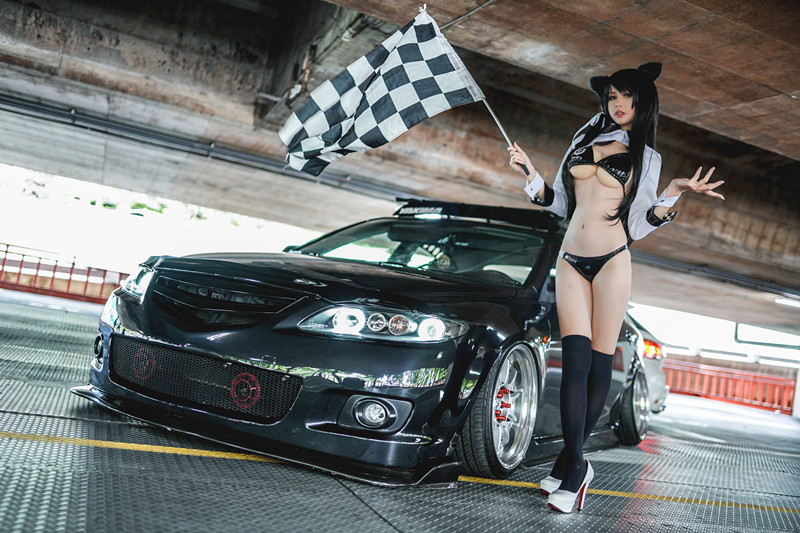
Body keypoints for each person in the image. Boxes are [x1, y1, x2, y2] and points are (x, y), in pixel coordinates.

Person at [507, 62, 724, 513]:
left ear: (643, 102)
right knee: (574, 363)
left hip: (612, 261)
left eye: (627, 96)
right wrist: (529, 175)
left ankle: (570, 467)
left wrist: (674, 191)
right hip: (570, 259)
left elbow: (639, 226)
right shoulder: (582, 138)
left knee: (598, 364)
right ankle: (576, 465)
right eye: (611, 96)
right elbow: (559, 203)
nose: (618, 104)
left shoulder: (647, 156)